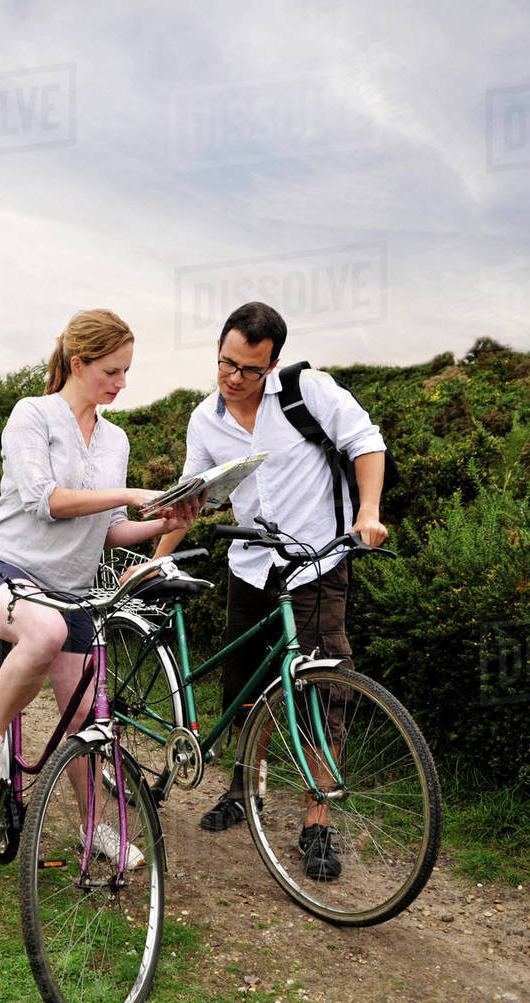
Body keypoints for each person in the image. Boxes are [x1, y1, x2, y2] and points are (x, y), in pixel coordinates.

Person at [153, 300, 388, 881]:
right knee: (245, 685)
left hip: (315, 567)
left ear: (272, 362)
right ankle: (243, 789)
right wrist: (152, 565)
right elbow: (191, 501)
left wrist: (369, 513)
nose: (234, 378)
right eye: (226, 363)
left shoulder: (308, 392)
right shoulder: (205, 421)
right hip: (250, 568)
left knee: (321, 696)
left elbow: (367, 443)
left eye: (248, 370)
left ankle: (317, 823)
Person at [0, 308, 201, 866]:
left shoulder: (115, 441)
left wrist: (168, 519)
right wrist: (128, 494)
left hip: (69, 589)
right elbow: (44, 501)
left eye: (126, 372)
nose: (121, 384)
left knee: (88, 718)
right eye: (112, 372)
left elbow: (107, 530)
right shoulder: (33, 415)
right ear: (78, 363)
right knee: (40, 635)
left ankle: (97, 830)